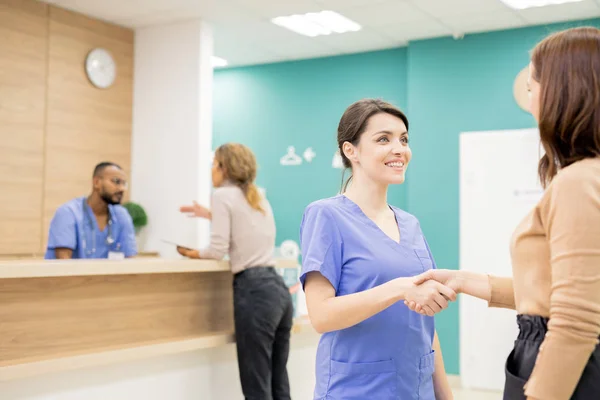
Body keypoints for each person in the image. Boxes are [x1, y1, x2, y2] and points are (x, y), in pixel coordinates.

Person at [407, 27, 600, 400]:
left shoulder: (578, 182)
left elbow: (574, 321)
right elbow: (553, 289)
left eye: (533, 85)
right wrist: (464, 280)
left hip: (565, 368)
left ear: (564, 91)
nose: (530, 98)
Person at [299, 98, 457, 400]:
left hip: (417, 387)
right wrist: (399, 288)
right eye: (383, 139)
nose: (399, 149)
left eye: (404, 139)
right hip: (358, 389)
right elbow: (321, 315)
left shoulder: (410, 224)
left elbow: (426, 324)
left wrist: (445, 396)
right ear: (351, 150)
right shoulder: (326, 216)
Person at [177, 143, 293, 400]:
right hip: (278, 291)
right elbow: (246, 225)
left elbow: (217, 250)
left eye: (213, 164)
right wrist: (211, 215)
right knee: (278, 381)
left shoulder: (221, 196)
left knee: (256, 386)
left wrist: (191, 253)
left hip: (254, 293)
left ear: (223, 168)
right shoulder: (257, 195)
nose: (211, 170)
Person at [45, 162, 137, 260]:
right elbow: (63, 264)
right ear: (96, 182)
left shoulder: (121, 215)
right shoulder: (68, 213)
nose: (122, 188)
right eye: (116, 181)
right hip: (72, 275)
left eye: (124, 184)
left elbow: (130, 260)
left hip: (107, 276)